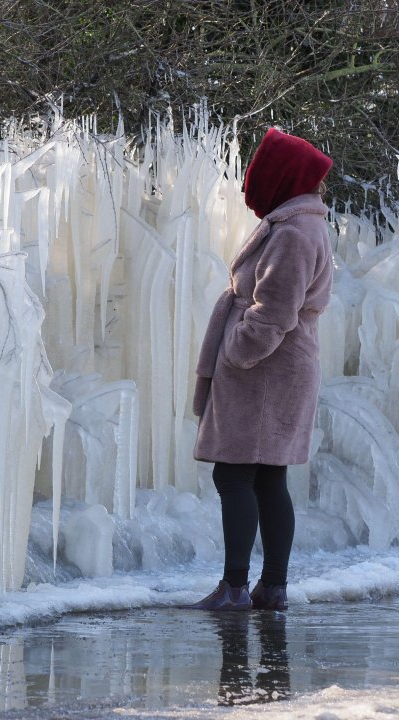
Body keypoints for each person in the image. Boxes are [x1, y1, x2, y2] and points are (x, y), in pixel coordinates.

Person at [187, 128, 334, 611]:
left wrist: (237, 349)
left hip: (266, 371)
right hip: (280, 369)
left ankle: (235, 588)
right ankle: (271, 588)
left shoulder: (293, 233)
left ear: (281, 177)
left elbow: (274, 312)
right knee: (266, 477)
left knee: (234, 476)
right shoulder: (298, 224)